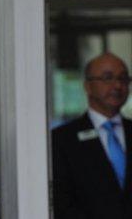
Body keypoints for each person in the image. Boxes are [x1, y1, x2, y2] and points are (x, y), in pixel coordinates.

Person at [52, 53, 132, 219]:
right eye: (107, 78)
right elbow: (63, 202)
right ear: (88, 86)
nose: (117, 85)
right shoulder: (62, 140)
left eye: (123, 78)